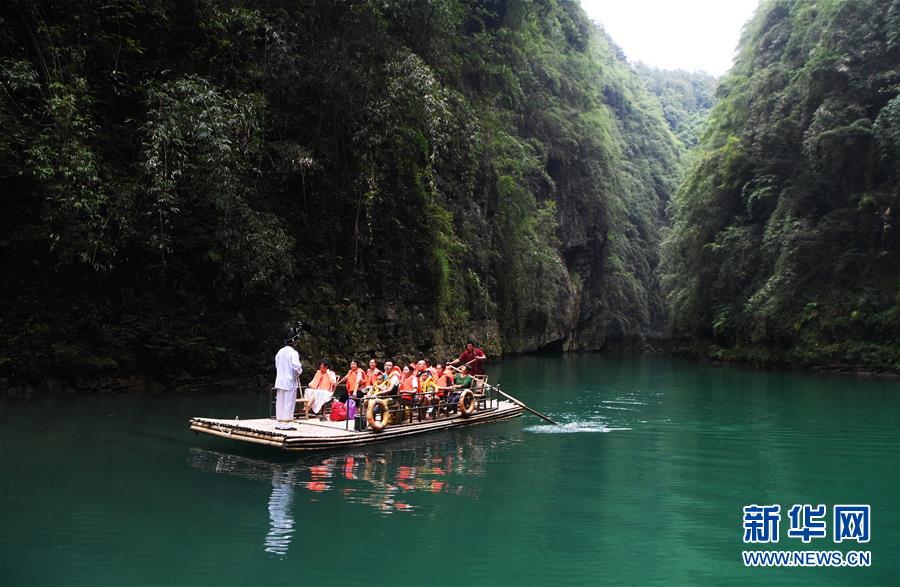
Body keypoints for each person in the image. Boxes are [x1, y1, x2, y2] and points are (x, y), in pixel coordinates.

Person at [273, 329, 303, 430]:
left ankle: (280, 423)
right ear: (293, 341)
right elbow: (296, 367)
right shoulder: (293, 353)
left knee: (280, 402)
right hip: (289, 381)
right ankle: (286, 424)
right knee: (288, 402)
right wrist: (300, 372)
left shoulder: (280, 352)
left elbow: (277, 365)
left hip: (280, 380)